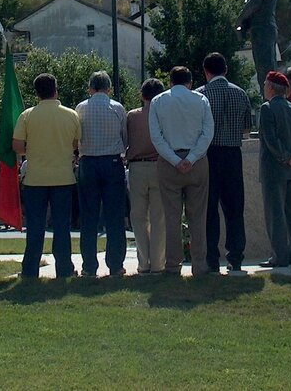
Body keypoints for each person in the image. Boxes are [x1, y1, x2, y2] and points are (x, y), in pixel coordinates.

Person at [13, 74, 81, 279]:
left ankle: (30, 269)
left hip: (35, 178)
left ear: (36, 93)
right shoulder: (71, 115)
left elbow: (17, 146)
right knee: (62, 227)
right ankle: (64, 268)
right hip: (63, 178)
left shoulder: (27, 115)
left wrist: (33, 150)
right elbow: (76, 144)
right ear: (56, 90)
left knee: (35, 227)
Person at [149, 66, 215, 276]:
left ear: (170, 82)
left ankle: (172, 265)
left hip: (169, 162)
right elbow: (208, 132)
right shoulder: (201, 100)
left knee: (171, 216)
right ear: (190, 82)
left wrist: (175, 160)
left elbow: (156, 136)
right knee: (198, 216)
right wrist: (192, 157)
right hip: (197, 162)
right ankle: (199, 264)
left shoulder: (158, 102)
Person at [197, 52, 253, 273]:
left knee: (210, 209)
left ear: (206, 71)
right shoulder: (241, 94)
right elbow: (247, 130)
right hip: (232, 153)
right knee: (234, 208)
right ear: (226, 70)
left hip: (209, 154)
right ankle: (236, 256)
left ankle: (212, 258)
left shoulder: (201, 95)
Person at [75, 70, 129, 277]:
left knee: (88, 216)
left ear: (90, 88)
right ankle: (115, 264)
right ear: (109, 88)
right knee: (114, 215)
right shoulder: (117, 108)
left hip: (88, 162)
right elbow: (124, 137)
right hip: (112, 161)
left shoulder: (80, 108)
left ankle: (89, 266)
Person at [258, 70, 291, 267]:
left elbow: (270, 139)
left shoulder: (267, 109)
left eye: (266, 84)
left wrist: (285, 157)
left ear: (271, 87)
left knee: (275, 214)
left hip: (274, 169)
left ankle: (279, 255)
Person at [126, 78, 167, 275]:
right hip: (160, 166)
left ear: (142, 96)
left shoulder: (132, 116)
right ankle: (159, 264)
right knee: (159, 218)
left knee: (139, 217)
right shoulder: (165, 116)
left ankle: (144, 263)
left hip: (137, 168)